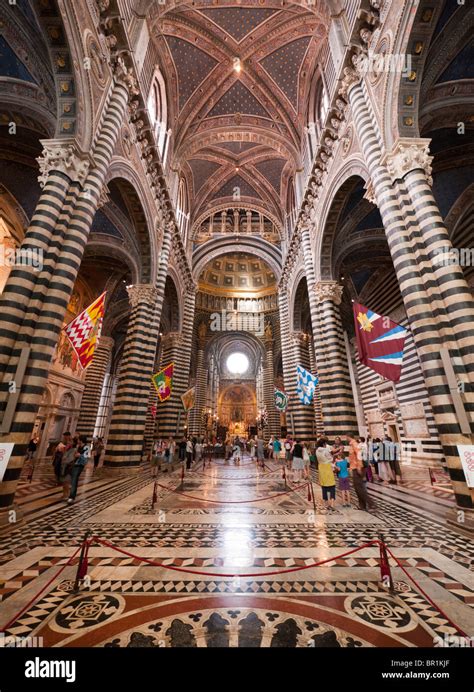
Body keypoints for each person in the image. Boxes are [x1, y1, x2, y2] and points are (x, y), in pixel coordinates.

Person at [347, 434, 374, 511]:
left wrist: (359, 467)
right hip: (354, 468)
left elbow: (359, 456)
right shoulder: (352, 444)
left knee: (359, 488)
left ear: (349, 437)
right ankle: (362, 506)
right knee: (357, 488)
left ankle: (371, 504)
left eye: (347, 437)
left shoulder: (354, 444)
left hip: (357, 468)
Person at [67, 435, 90, 504]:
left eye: (78, 439)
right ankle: (71, 495)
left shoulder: (86, 447)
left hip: (79, 465)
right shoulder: (78, 446)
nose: (77, 441)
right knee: (73, 480)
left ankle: (71, 497)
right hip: (75, 464)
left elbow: (85, 459)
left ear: (81, 440)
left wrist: (79, 455)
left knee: (74, 480)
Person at [316, 439, 336, 512]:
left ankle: (326, 503)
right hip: (327, 468)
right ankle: (332, 504)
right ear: (324, 444)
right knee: (332, 486)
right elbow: (330, 459)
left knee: (324, 486)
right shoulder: (325, 450)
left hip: (321, 467)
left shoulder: (317, 451)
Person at [60, 436, 77, 500]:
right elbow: (64, 457)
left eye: (70, 441)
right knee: (64, 482)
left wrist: (64, 459)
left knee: (66, 481)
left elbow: (69, 459)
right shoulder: (67, 449)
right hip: (64, 467)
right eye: (68, 441)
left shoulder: (73, 450)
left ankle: (67, 494)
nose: (68, 442)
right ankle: (64, 493)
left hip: (68, 467)